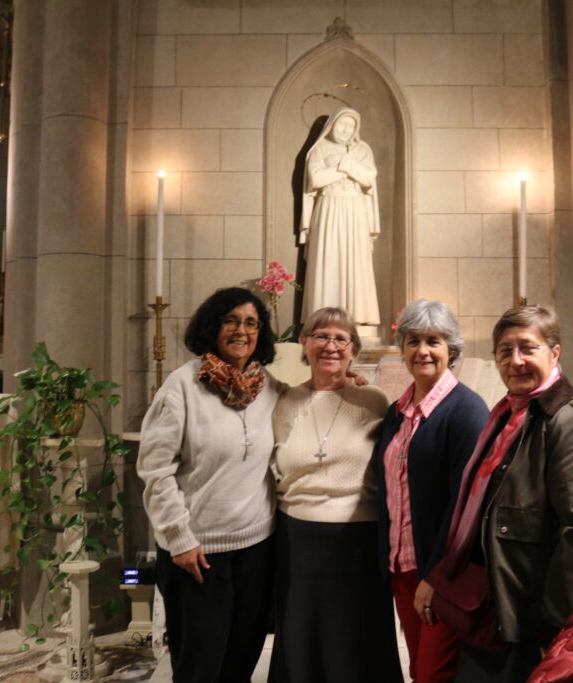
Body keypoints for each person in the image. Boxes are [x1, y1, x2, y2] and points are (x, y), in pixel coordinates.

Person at [439, 305, 573, 682]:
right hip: (497, 609)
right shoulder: (508, 415)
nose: (516, 360)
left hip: (533, 621)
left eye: (527, 348)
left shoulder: (569, 423)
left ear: (555, 353)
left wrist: (559, 630)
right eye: (505, 351)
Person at [137, 287, 285, 683]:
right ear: (212, 326)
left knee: (241, 658)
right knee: (199, 666)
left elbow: (310, 404)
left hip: (255, 550)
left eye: (251, 323)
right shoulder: (182, 386)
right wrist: (179, 538)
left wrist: (346, 384)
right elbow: (155, 470)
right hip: (198, 553)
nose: (242, 330)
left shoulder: (268, 387)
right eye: (230, 320)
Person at [268, 307, 403, 683]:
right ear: (304, 344)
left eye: (341, 339)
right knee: (301, 640)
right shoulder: (284, 402)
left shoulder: (374, 400)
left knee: (355, 644)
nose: (331, 346)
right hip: (297, 540)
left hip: (358, 541)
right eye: (321, 336)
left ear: (354, 350)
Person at [372, 300, 489, 683]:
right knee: (418, 666)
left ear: (451, 349)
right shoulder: (397, 412)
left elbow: (465, 503)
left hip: (441, 573)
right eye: (413, 341)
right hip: (402, 567)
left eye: (433, 341)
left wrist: (435, 577)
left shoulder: (466, 410)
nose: (422, 350)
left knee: (433, 673)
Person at [299, 108, 381, 331]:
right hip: (328, 208)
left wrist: (343, 163)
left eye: (351, 126)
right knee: (328, 257)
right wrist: (347, 170)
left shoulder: (363, 149)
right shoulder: (319, 149)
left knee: (356, 259)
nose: (346, 130)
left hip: (355, 210)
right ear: (333, 125)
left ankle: (358, 316)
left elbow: (368, 178)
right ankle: (323, 318)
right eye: (342, 124)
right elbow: (316, 179)